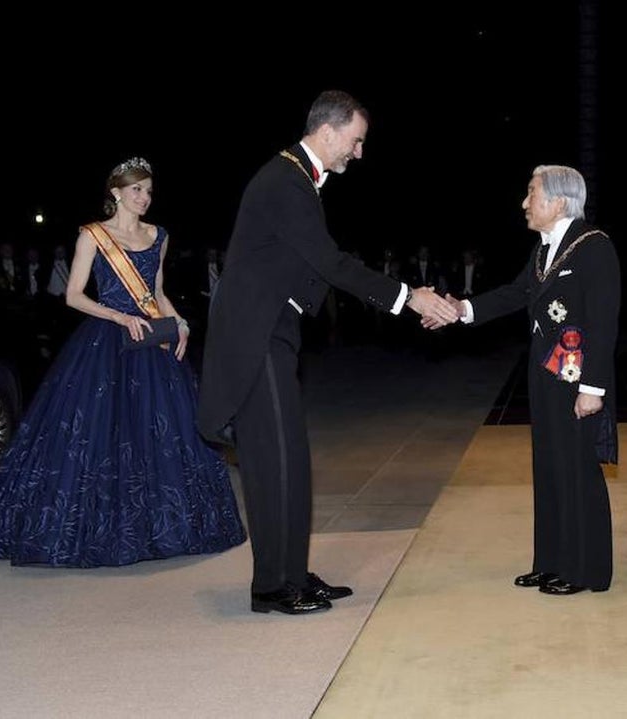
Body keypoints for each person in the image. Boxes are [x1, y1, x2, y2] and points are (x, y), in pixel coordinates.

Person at [196, 90, 458, 615]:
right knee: (273, 465)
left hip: (273, 336)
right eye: (356, 141)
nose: (358, 153)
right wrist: (411, 298)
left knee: (292, 461)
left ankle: (292, 573)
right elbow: (332, 264)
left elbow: (306, 267)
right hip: (255, 342)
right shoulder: (285, 181)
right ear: (330, 130)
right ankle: (271, 587)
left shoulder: (294, 178)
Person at [0, 157, 246, 566]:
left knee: (159, 434)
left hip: (152, 347)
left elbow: (156, 291)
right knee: (100, 436)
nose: (144, 197)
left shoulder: (159, 235)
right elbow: (74, 295)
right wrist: (119, 316)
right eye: (137, 189)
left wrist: (178, 322)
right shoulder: (92, 235)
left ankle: (164, 527)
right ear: (116, 192)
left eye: (149, 190)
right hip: (106, 342)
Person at [439, 164, 620, 595]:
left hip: (577, 381)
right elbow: (514, 294)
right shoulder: (544, 251)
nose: (525, 203)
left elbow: (603, 321)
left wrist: (592, 389)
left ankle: (584, 569)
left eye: (531, 193)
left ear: (558, 201)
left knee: (577, 470)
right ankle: (552, 561)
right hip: (544, 376)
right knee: (549, 466)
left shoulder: (594, 247)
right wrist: (462, 310)